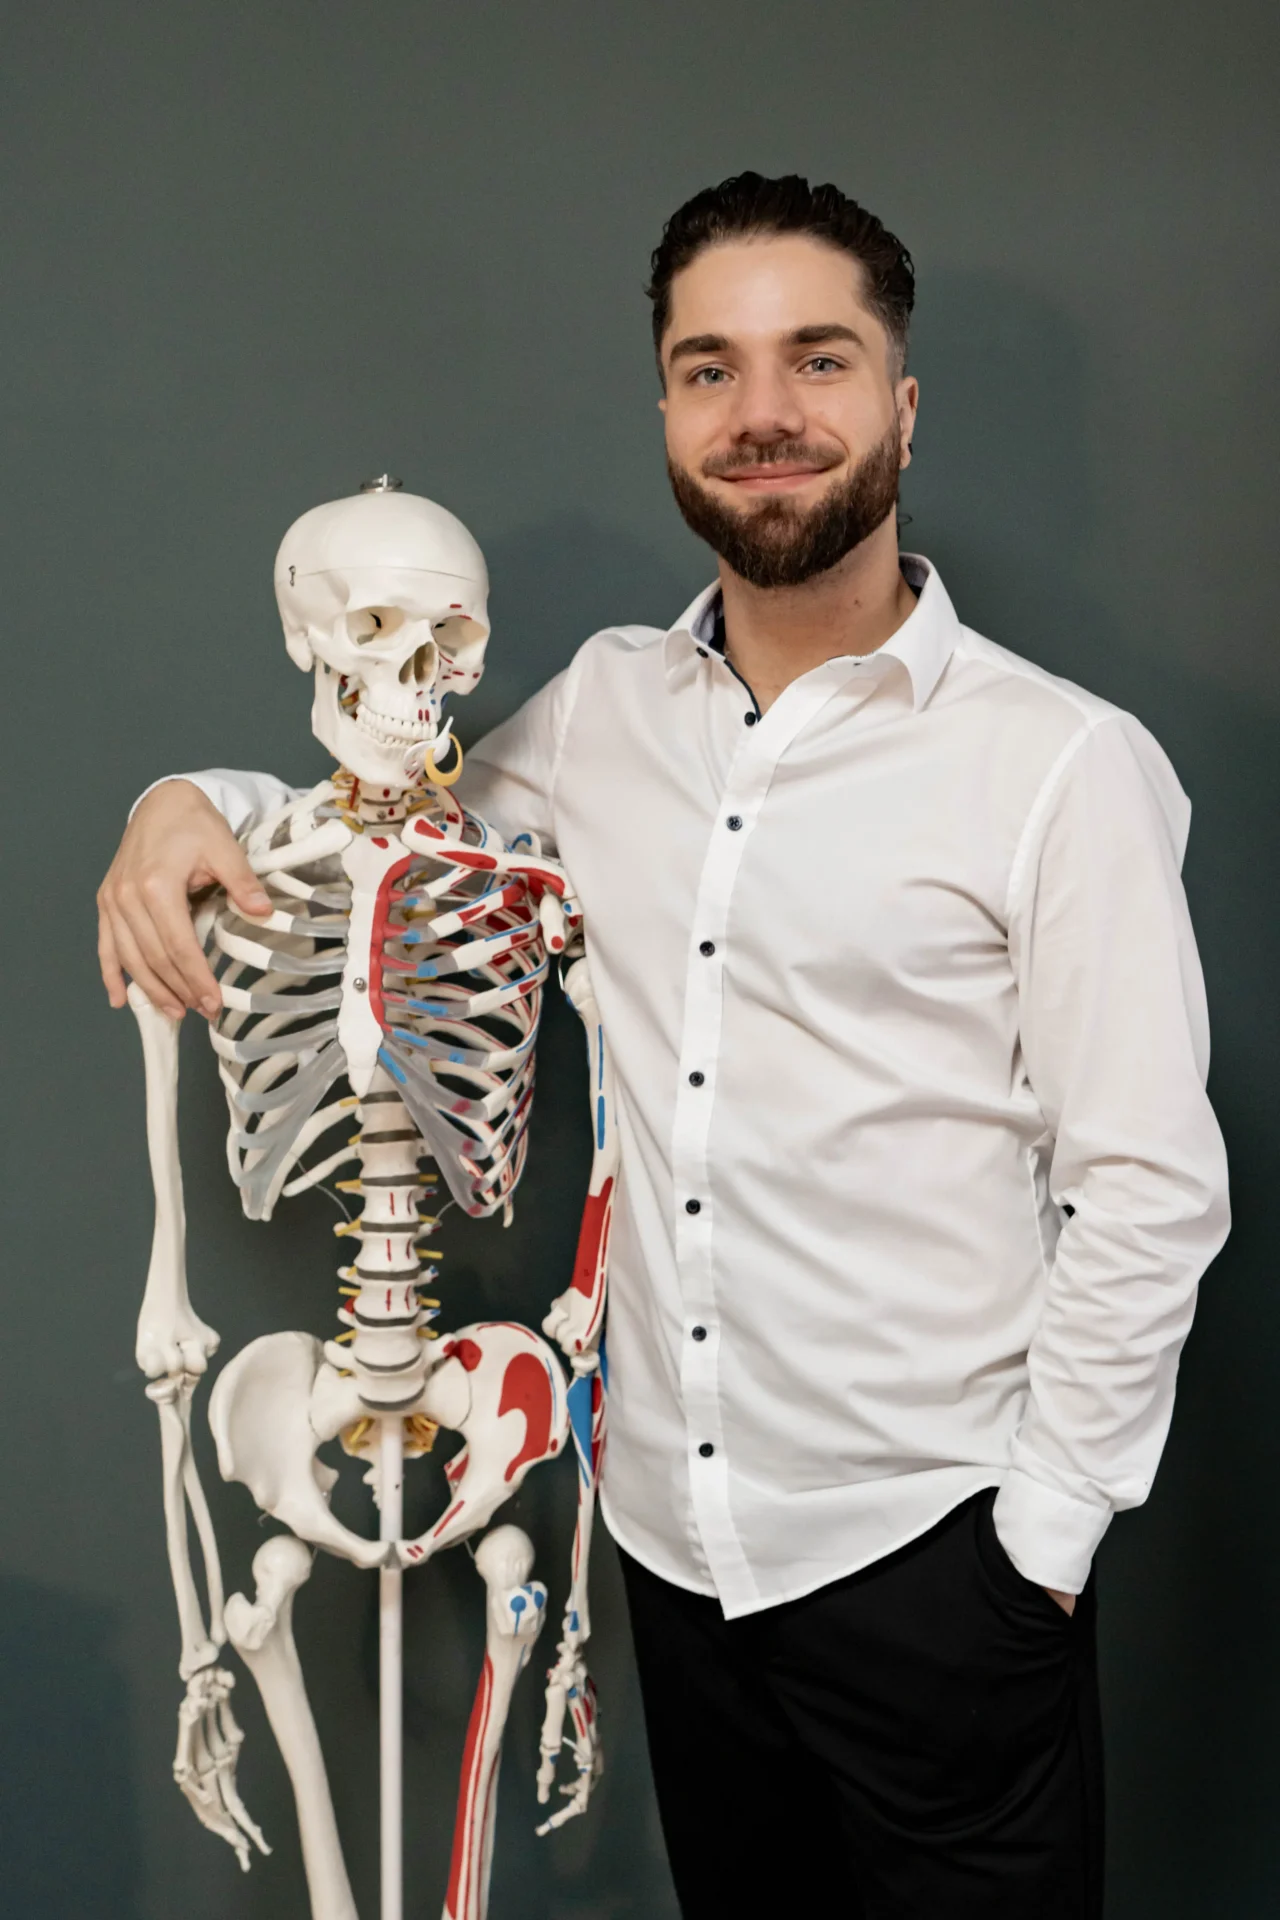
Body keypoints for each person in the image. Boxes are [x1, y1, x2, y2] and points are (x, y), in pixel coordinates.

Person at [97, 173, 1229, 1918]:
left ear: (902, 407)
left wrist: (1041, 1553)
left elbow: (1150, 1188)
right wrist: (187, 800)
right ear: (669, 413)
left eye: (817, 360)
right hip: (679, 1564)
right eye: (712, 368)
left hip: (937, 1568)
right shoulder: (603, 710)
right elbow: (402, 827)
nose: (764, 412)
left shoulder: (1061, 765)